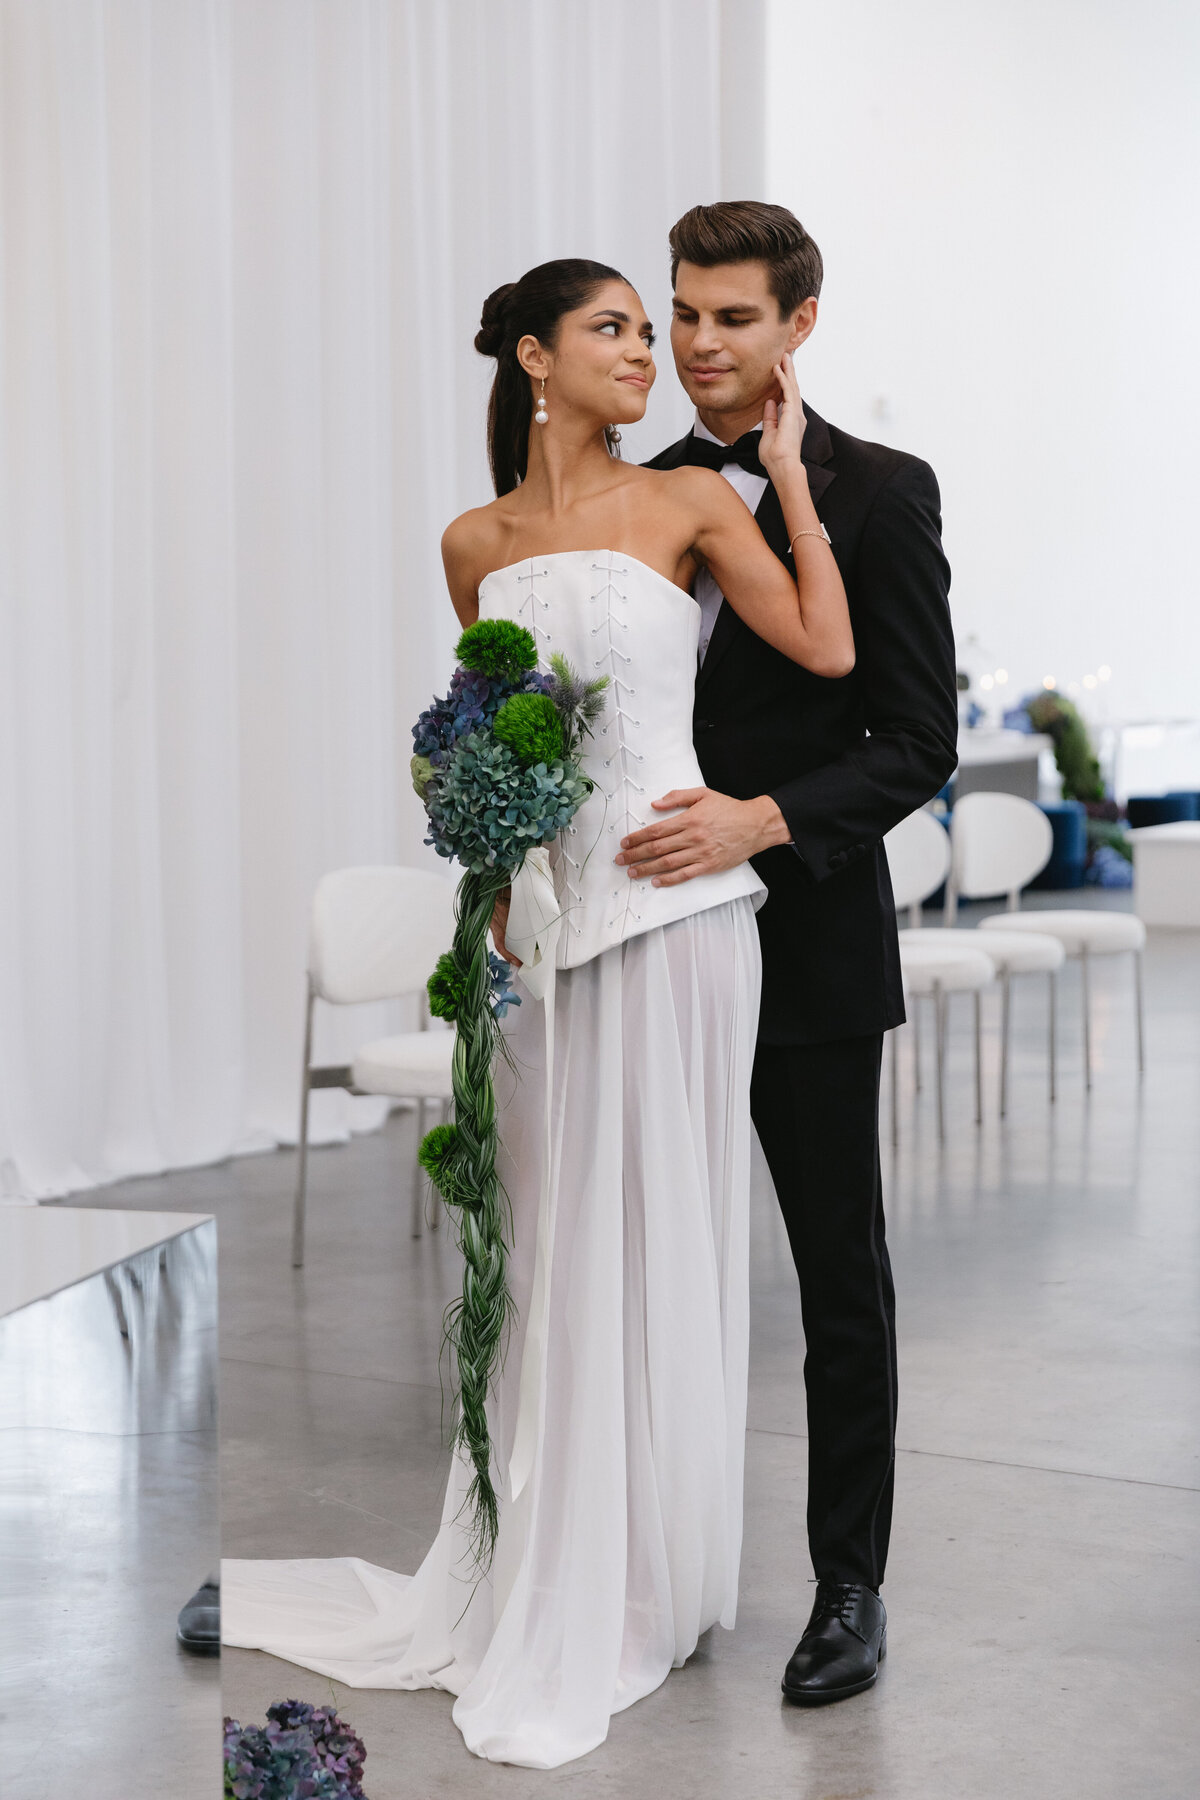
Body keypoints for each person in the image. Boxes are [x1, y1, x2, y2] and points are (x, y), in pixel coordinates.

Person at [220, 257, 854, 1769]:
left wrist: (787, 480)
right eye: (618, 330)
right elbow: (493, 728)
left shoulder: (697, 506)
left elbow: (826, 648)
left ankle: (651, 1576)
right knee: (556, 1243)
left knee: (664, 1237)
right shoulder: (473, 544)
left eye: (657, 329)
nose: (652, 353)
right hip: (542, 942)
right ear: (533, 358)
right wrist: (488, 848)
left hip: (687, 918)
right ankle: (543, 1553)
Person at [629, 201, 959, 1703]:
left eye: (734, 317)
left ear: (799, 323)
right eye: (684, 313)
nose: (700, 344)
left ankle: (848, 1588)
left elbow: (917, 742)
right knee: (634, 1261)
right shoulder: (632, 493)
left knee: (838, 1274)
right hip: (640, 941)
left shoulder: (882, 494)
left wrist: (764, 819)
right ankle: (634, 1562)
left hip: (808, 940)